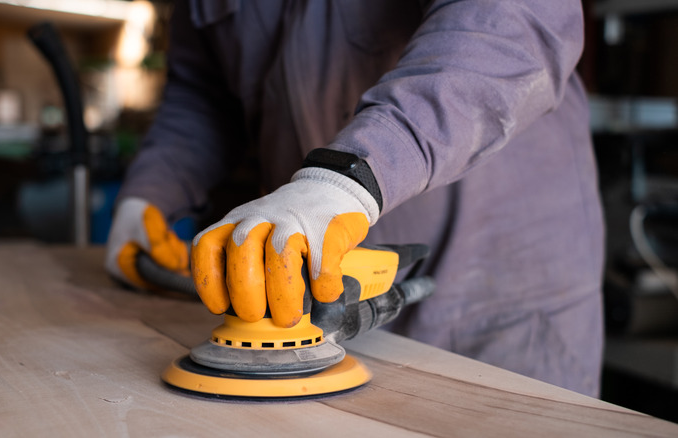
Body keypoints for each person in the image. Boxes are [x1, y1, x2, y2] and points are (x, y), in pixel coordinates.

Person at [106, 0, 605, 397]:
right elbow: (203, 94)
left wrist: (349, 175)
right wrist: (151, 193)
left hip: (499, 269)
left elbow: (510, 21)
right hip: (321, 280)